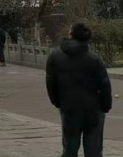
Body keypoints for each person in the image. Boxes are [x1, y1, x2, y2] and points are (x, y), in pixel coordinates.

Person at [46, 21, 112, 157]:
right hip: (93, 108)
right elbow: (105, 85)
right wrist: (105, 106)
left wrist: (57, 102)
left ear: (71, 34)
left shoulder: (55, 56)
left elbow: (50, 83)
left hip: (69, 108)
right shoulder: (94, 58)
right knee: (93, 148)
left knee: (70, 147)